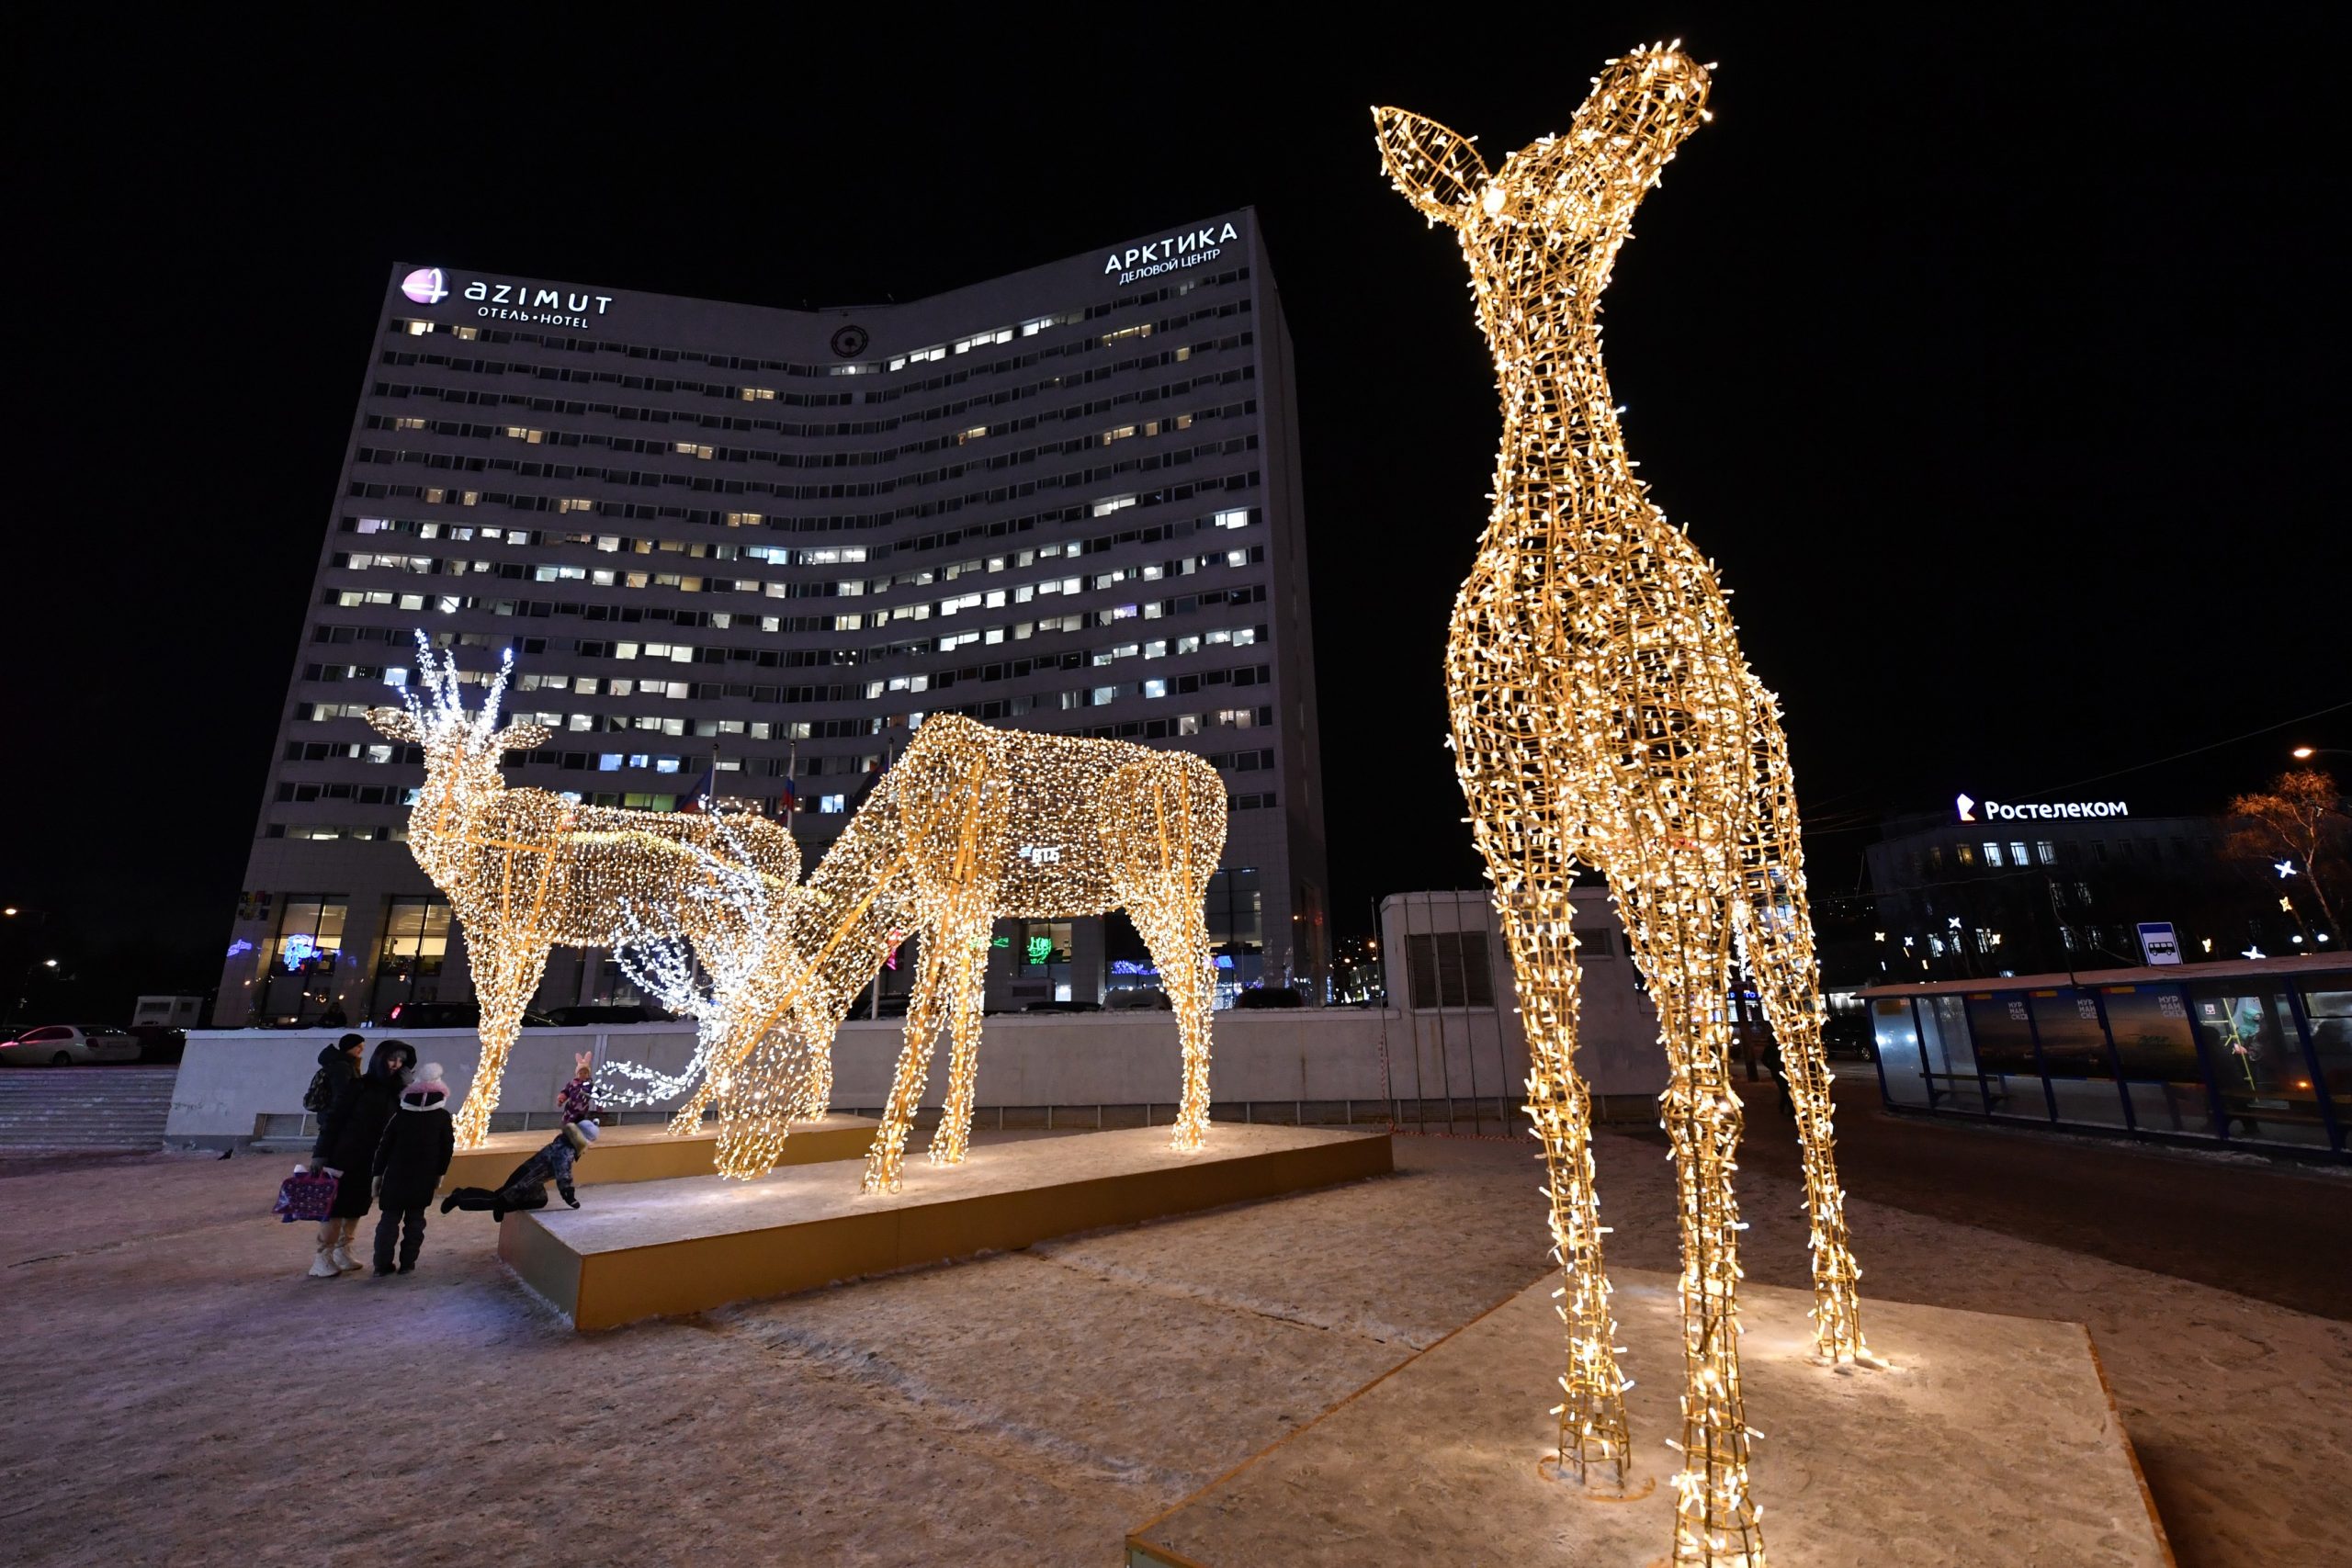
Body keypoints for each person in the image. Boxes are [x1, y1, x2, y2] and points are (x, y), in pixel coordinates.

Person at [303, 1038, 414, 1278]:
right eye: (392, 1059)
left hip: (372, 1159)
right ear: (380, 1059)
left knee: (357, 1205)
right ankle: (322, 1256)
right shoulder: (358, 1086)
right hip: (344, 1155)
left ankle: (343, 1250)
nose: (395, 1065)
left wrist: (410, 1088)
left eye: (401, 1061)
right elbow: (334, 1119)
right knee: (336, 1207)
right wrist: (320, 1154)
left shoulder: (397, 1092)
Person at [368, 1062, 455, 1277]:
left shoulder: (401, 1115)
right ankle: (408, 1263)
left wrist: (377, 1173)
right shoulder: (442, 1117)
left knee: (389, 1220)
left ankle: (381, 1265)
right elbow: (447, 1148)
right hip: (424, 1176)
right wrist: (440, 1173)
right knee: (415, 1220)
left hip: (396, 1174)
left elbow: (384, 1146)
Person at [440, 1120, 596, 1221]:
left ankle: (503, 1207)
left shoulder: (564, 1143)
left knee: (539, 1200)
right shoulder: (565, 1151)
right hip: (526, 1179)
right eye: (590, 1142)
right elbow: (564, 1175)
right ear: (582, 1139)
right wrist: (569, 1197)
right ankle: (459, 1197)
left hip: (532, 1179)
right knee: (496, 1199)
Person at [302, 1033, 366, 1120]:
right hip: (336, 1119)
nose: (362, 1049)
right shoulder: (342, 1067)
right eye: (358, 1046)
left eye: (362, 1046)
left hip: (330, 1117)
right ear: (349, 1046)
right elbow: (341, 1095)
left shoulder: (343, 1064)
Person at [558, 1051, 595, 1125]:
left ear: (588, 1074)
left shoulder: (590, 1085)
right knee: (566, 1122)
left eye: (585, 1073)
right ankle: (566, 1132)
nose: (583, 1075)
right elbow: (565, 1092)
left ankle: (578, 1133)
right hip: (570, 1108)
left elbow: (597, 1094)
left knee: (579, 1123)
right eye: (580, 1073)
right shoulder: (572, 1084)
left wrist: (599, 1105)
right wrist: (561, 1100)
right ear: (577, 1074)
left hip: (582, 1110)